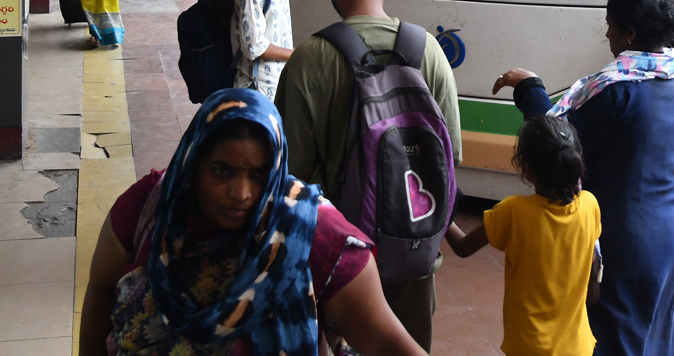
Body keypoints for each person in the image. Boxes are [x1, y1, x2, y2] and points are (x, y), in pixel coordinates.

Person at [78, 88, 430, 356]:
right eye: (222, 170)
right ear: (193, 163)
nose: (241, 193)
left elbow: (389, 344)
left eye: (261, 174)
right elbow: (100, 290)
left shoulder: (316, 237)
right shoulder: (150, 208)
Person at [275, 0, 461, 351]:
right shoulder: (427, 51)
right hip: (414, 252)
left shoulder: (309, 59)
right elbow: (450, 155)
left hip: (335, 260)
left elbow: (291, 178)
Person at [493, 0, 674, 356]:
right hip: (668, 235)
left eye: (611, 25)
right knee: (657, 339)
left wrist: (531, 89)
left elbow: (557, 145)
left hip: (623, 239)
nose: (607, 34)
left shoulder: (616, 91)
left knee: (617, 339)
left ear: (630, 34)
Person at [445, 115, 601, 356]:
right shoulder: (590, 205)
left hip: (529, 347)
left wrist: (440, 212)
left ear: (526, 169)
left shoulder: (513, 211)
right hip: (577, 346)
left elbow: (463, 247)